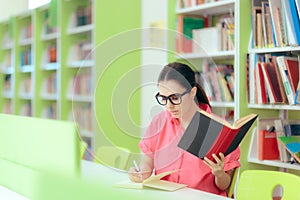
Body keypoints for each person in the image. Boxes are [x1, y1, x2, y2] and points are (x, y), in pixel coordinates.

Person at [128, 62, 240, 196]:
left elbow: (225, 185)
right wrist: (141, 172)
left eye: (175, 98)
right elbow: (148, 161)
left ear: (192, 92)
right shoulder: (159, 122)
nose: (169, 106)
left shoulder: (217, 128)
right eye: (163, 98)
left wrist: (219, 173)